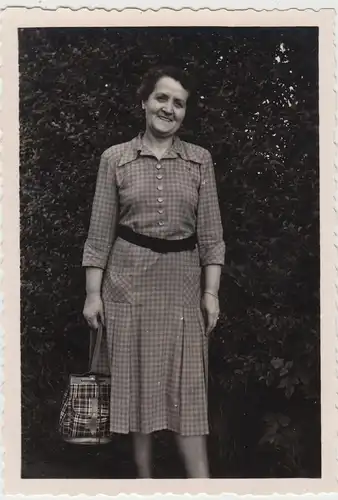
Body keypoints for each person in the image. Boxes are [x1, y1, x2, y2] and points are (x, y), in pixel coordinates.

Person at [82, 65, 225, 478]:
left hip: (181, 286)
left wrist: (210, 293)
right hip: (127, 286)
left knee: (187, 391)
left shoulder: (200, 160)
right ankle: (144, 483)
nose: (169, 108)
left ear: (184, 113)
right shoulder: (116, 158)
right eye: (162, 98)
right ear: (144, 102)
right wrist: (94, 293)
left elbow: (212, 235)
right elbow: (99, 232)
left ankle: (202, 486)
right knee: (137, 385)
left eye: (178, 103)